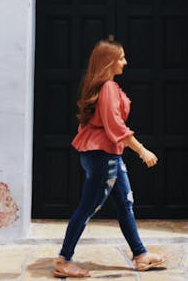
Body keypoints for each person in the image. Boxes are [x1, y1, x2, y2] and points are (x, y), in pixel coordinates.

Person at [53, 39, 166, 278]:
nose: (125, 62)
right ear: (109, 62)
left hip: (108, 155)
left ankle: (140, 255)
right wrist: (142, 150)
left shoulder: (103, 86)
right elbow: (115, 125)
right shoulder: (107, 88)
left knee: (125, 204)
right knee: (87, 208)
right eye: (121, 58)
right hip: (103, 157)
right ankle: (64, 260)